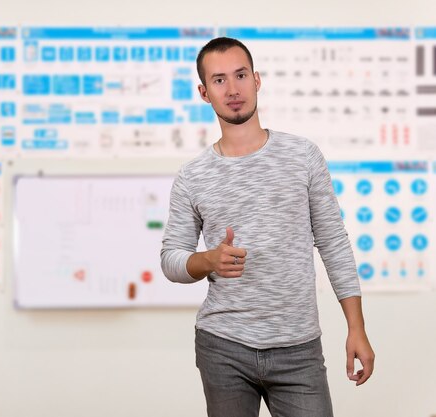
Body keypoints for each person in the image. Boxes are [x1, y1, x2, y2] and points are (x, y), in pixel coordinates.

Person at [160, 37, 375, 417]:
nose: (233, 89)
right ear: (204, 92)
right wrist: (208, 260)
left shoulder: (302, 156)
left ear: (257, 80)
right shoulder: (192, 175)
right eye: (220, 80)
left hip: (299, 348)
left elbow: (333, 243)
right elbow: (171, 260)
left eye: (241, 75)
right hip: (223, 346)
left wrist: (356, 327)